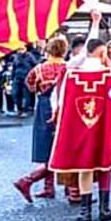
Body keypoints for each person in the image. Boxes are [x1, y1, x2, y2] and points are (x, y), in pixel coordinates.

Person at [48, 35, 111, 221]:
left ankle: (85, 211)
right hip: (103, 126)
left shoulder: (71, 73)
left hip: (79, 128)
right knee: (105, 166)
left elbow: (60, 99)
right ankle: (104, 208)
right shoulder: (110, 74)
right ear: (102, 52)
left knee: (84, 167)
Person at [13, 33, 69, 201]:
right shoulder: (70, 68)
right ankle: (71, 189)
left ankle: (48, 187)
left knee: (46, 147)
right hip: (65, 106)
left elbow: (29, 86)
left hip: (44, 106)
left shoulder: (39, 69)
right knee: (65, 147)